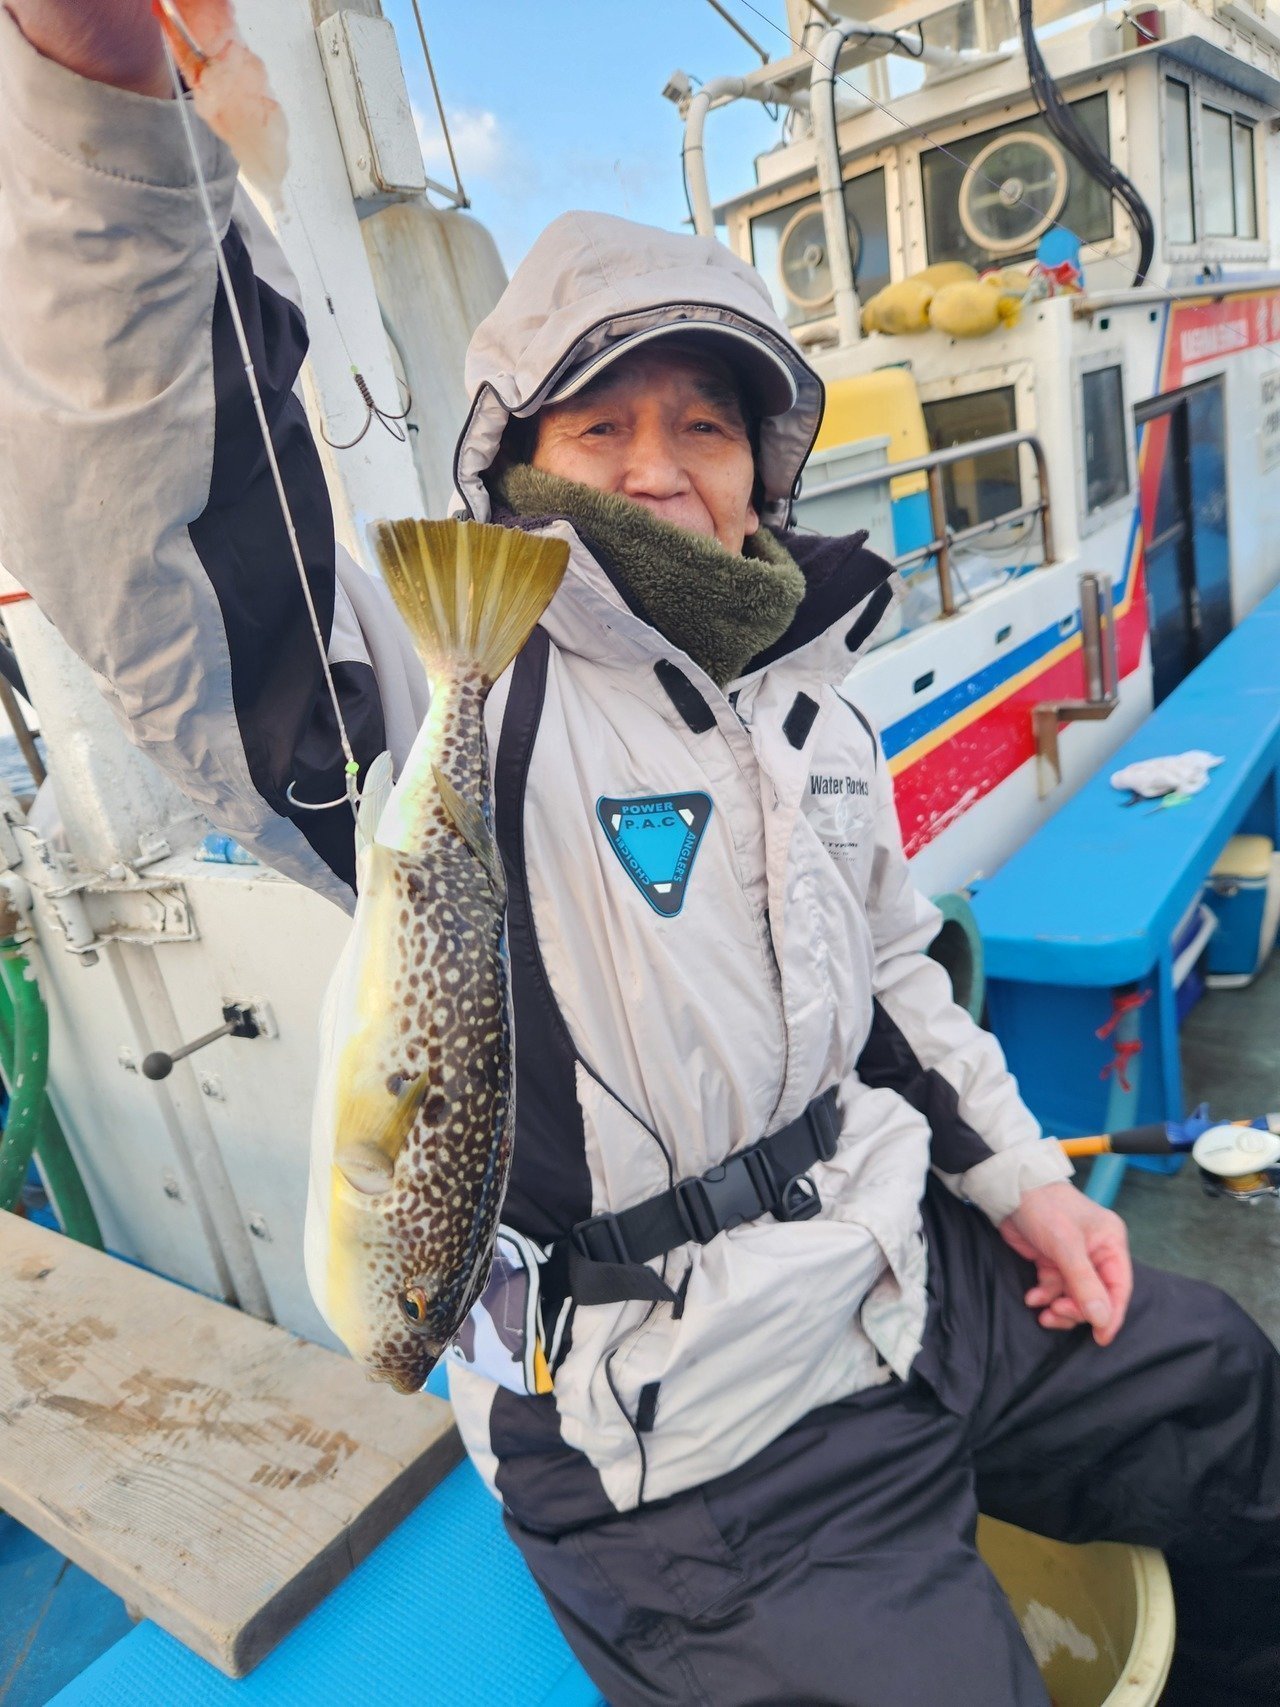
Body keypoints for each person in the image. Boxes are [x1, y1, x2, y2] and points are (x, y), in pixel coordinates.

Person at [1, 8, 1278, 1704]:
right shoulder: (456, 692)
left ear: (764, 470)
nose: (657, 471)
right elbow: (174, 531)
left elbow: (894, 976)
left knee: (1223, 1383)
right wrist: (109, 105)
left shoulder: (811, 703)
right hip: (688, 1443)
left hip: (911, 1271)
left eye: (704, 426)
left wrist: (1026, 1187)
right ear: (516, 463)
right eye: (597, 429)